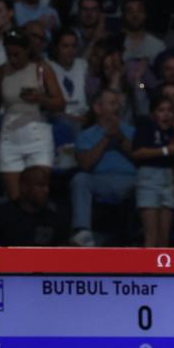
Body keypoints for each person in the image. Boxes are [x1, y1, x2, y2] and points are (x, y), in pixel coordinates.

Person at [0, 28, 65, 200]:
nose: (13, 59)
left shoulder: (41, 69)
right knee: (15, 199)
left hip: (37, 136)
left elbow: (60, 104)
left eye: (17, 54)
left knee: (37, 196)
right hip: (10, 137)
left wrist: (40, 99)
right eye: (9, 54)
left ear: (27, 50)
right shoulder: (1, 71)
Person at [70, 89, 136, 246]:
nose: (117, 107)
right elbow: (85, 164)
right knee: (80, 179)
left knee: (148, 181)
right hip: (100, 181)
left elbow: (141, 158)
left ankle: (138, 236)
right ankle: (82, 232)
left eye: (118, 104)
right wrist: (106, 137)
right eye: (112, 103)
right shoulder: (86, 135)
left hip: (131, 181)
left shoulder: (131, 131)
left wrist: (120, 138)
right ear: (98, 108)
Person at [131, 96, 174, 247]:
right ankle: (148, 270)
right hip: (148, 178)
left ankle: (162, 271)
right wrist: (165, 150)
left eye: (169, 111)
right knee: (151, 235)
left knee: (164, 238)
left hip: (168, 179)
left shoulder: (171, 131)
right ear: (153, 113)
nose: (166, 115)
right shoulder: (146, 126)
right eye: (161, 110)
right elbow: (137, 152)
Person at [0, 166, 69, 246]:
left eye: (47, 186)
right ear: (24, 187)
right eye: (40, 185)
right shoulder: (1, 215)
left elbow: (61, 251)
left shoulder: (54, 218)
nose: (46, 190)